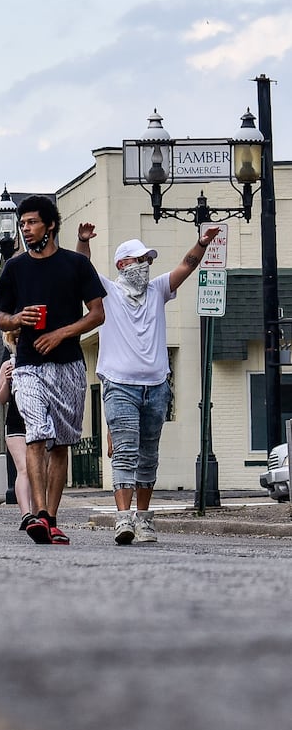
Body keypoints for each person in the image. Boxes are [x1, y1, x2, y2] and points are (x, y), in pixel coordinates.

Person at [81, 223, 218, 545]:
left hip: (156, 385)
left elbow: (187, 265)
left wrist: (201, 243)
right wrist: (82, 241)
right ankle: (123, 519)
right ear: (121, 265)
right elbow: (81, 268)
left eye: (147, 261)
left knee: (149, 455)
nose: (144, 266)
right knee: (126, 453)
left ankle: (144, 520)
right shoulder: (108, 292)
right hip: (120, 384)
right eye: (138, 260)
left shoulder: (158, 289)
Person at [0, 195, 106, 544]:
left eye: (31, 222)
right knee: (37, 434)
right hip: (28, 365)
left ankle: (53, 518)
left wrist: (61, 333)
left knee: (61, 444)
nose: (25, 229)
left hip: (70, 365)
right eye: (23, 223)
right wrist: (17, 318)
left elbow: (97, 314)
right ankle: (40, 515)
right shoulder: (14, 268)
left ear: (51, 224)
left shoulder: (75, 265)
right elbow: (0, 318)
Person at [0, 333, 34, 530]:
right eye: (16, 338)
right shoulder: (7, 365)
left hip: (37, 419)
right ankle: (26, 514)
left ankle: (40, 512)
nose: (20, 340)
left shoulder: (40, 359)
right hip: (15, 421)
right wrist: (6, 382)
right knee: (24, 468)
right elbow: (1, 398)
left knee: (39, 469)